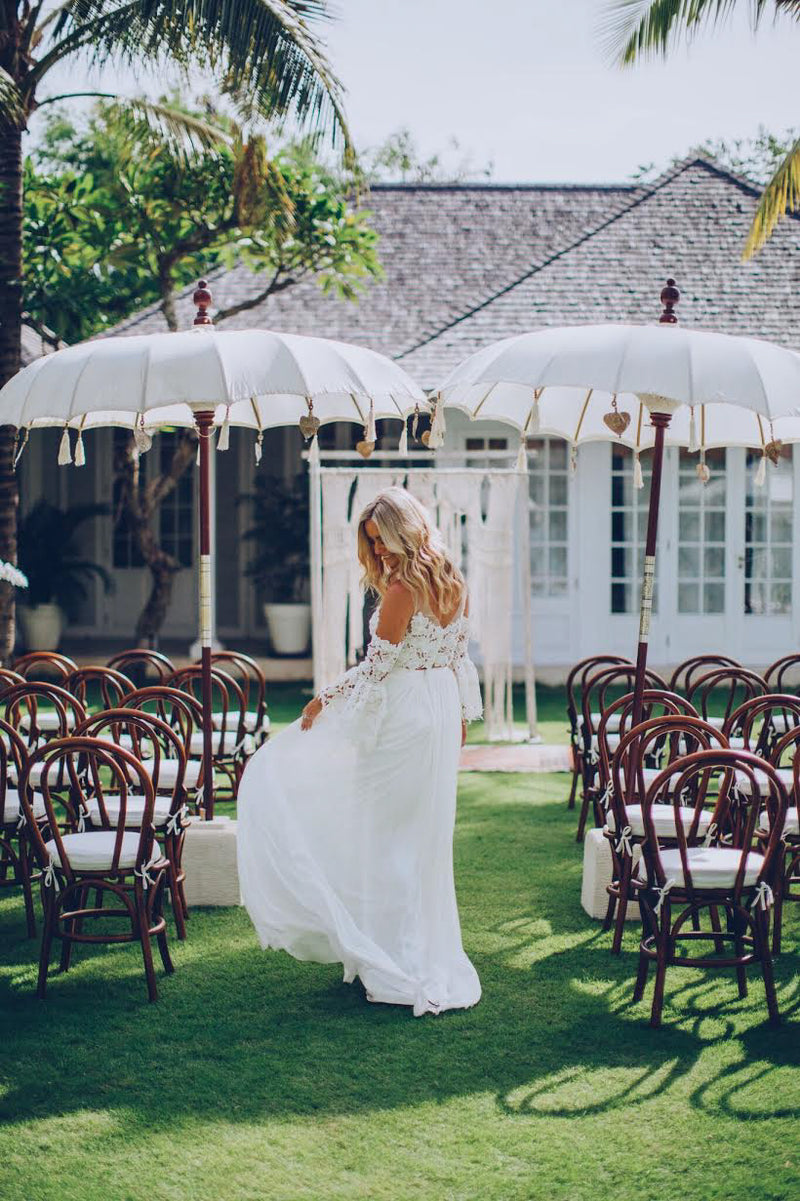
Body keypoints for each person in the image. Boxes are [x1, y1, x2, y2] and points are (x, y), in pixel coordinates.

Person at [237, 487, 482, 1016]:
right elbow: (460, 659)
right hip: (438, 707)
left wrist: (325, 697)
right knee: (422, 838)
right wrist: (460, 716)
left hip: (410, 712)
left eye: (384, 539)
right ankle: (410, 950)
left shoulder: (402, 588)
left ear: (407, 529)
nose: (380, 552)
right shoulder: (453, 578)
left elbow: (379, 666)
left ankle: (395, 957)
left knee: (386, 834)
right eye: (372, 542)